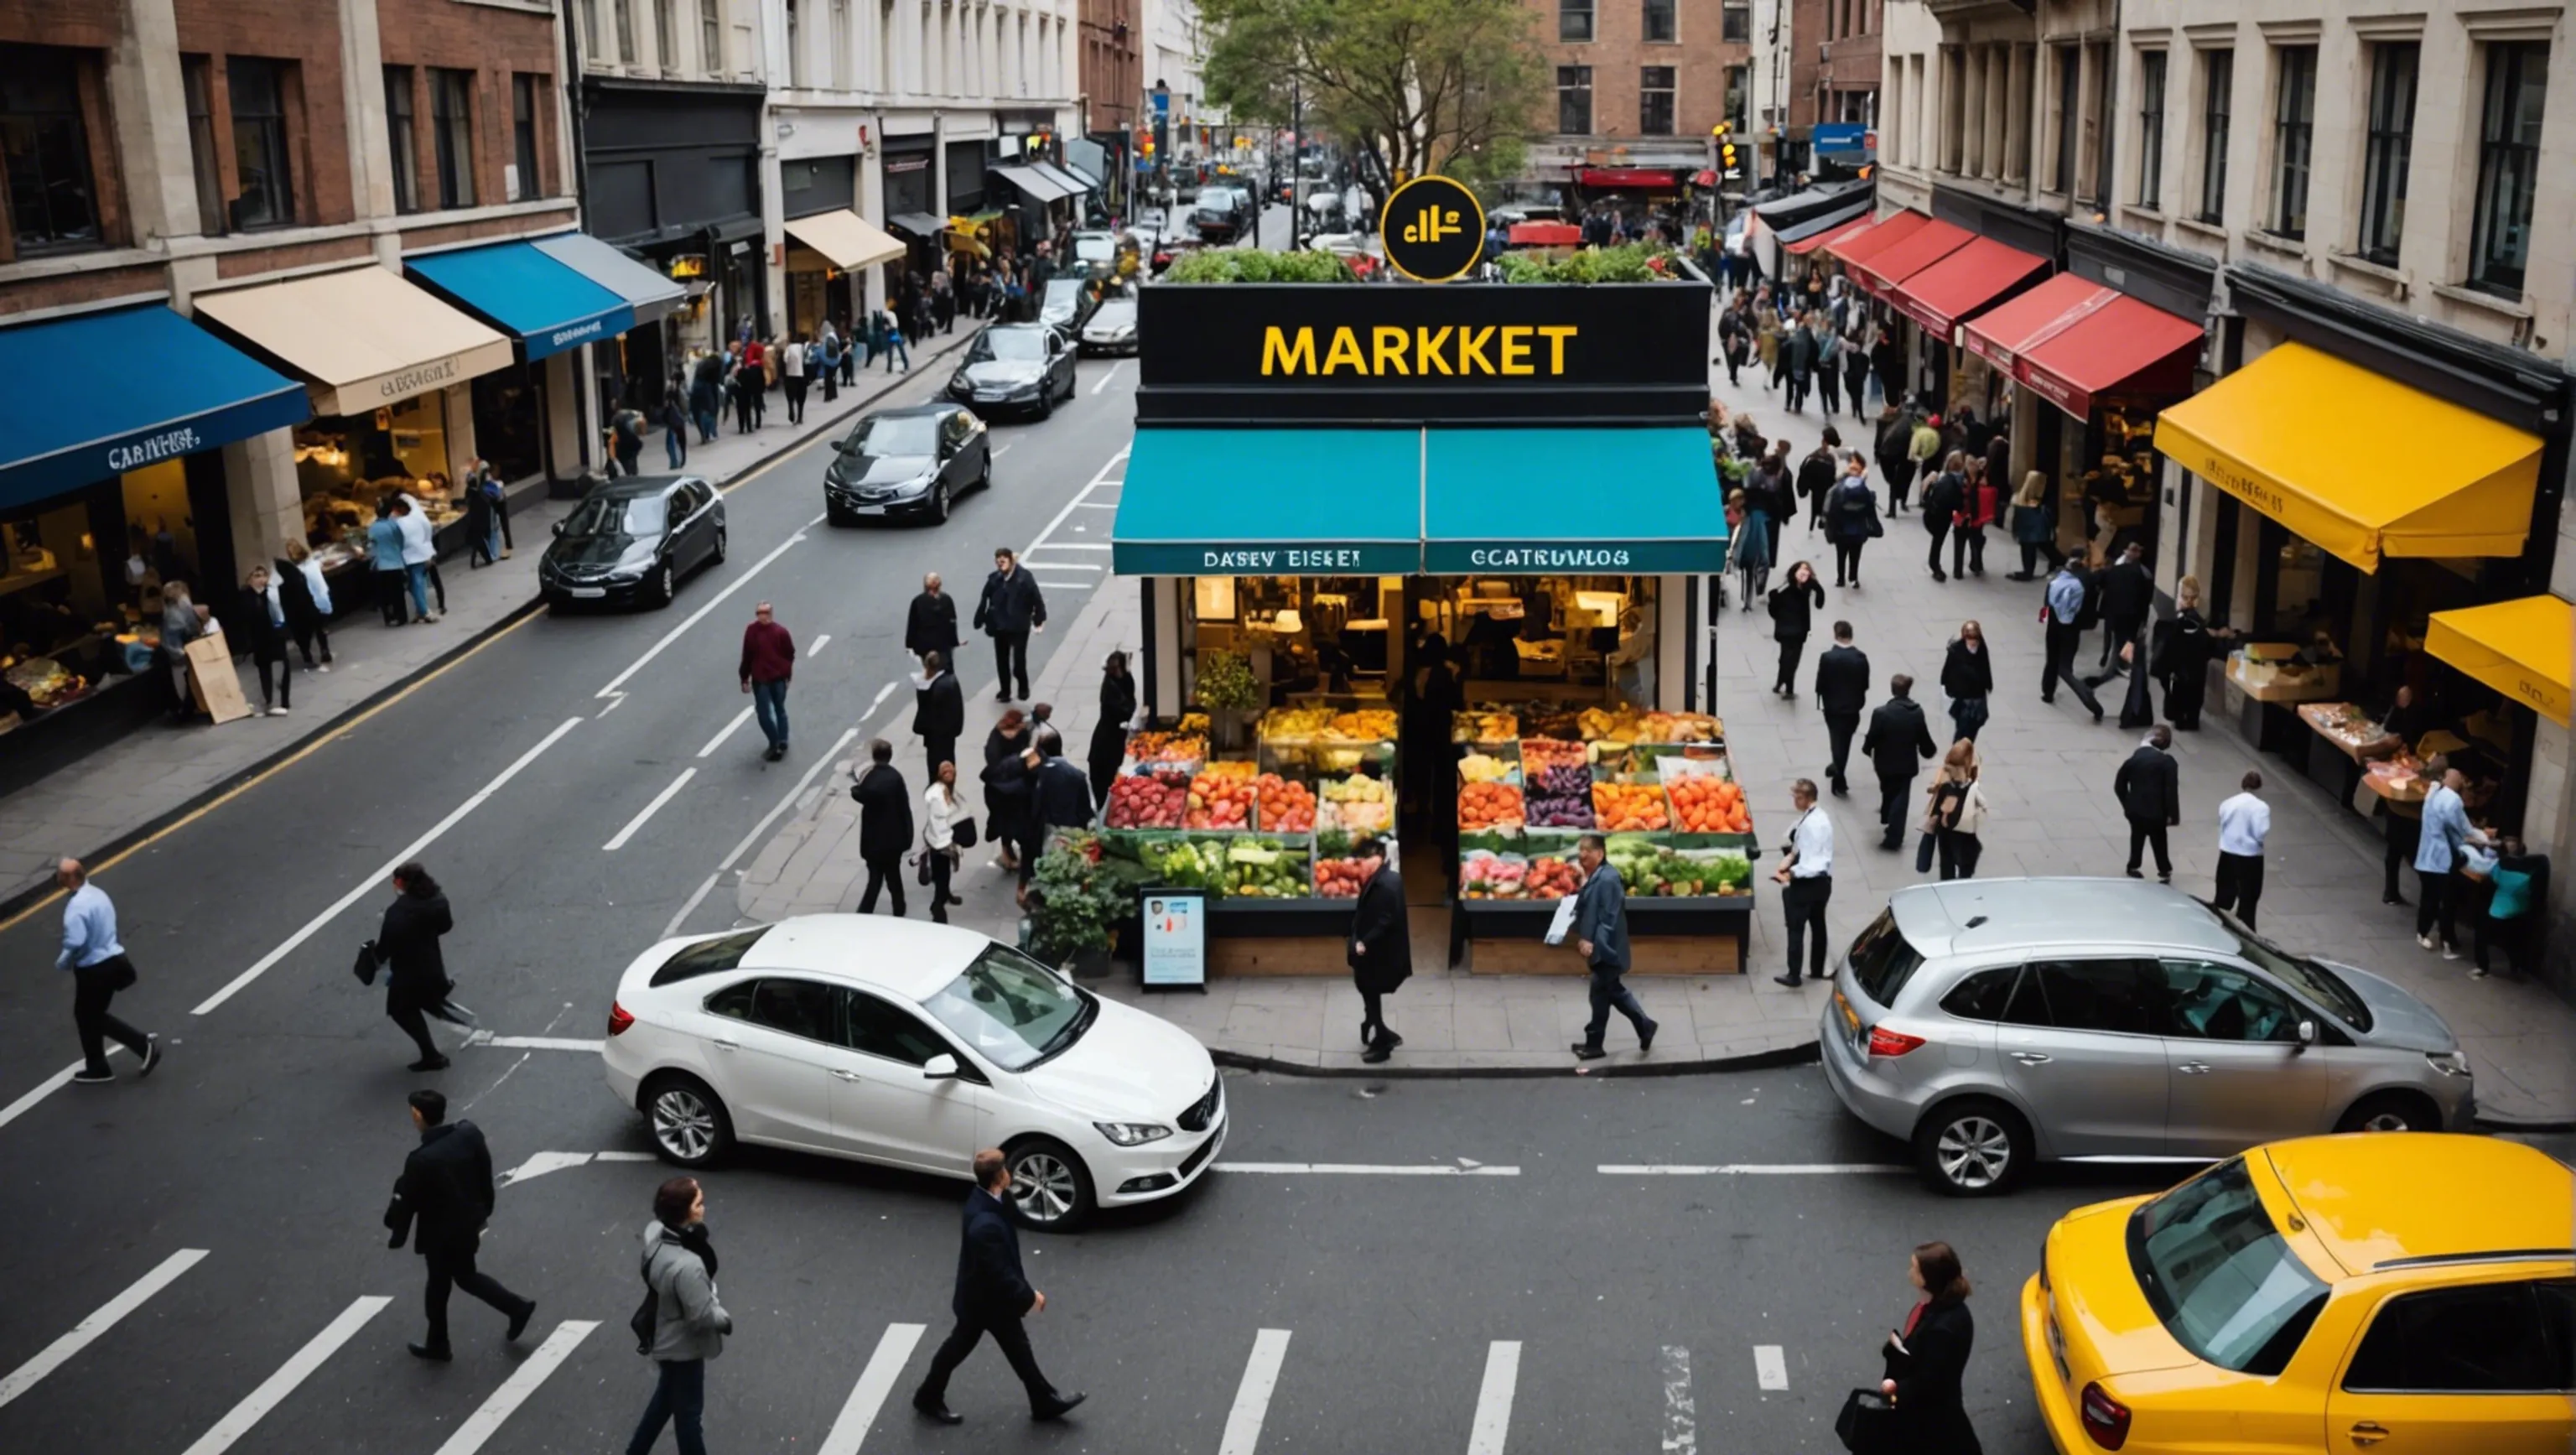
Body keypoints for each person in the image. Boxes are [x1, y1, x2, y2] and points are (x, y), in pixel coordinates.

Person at [911, 1149, 1087, 1424]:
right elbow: (1000, 1274)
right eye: (1006, 1171)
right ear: (998, 1178)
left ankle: (1042, 1401)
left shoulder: (985, 1199)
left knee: (1014, 1348)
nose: (1010, 1174)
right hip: (984, 1303)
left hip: (984, 1298)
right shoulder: (985, 1225)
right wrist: (1031, 1298)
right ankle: (927, 1396)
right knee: (961, 1348)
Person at [384, 1088, 535, 1363]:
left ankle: (443, 1342)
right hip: (469, 1222)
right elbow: (484, 1170)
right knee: (460, 1277)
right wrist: (485, 1207)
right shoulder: (467, 1134)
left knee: (446, 1284)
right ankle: (510, 1310)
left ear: (418, 1115)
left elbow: (408, 1202)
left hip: (442, 1236)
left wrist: (397, 1233)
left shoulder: (421, 1160)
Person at [629, 1177, 730, 1455]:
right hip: (683, 1347)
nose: (703, 1207)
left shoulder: (656, 1244)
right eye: (698, 1203)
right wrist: (723, 1319)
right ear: (685, 1211)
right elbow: (702, 1317)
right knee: (689, 1417)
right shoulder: (689, 1266)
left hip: (664, 1334)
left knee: (666, 1401)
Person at [55, 859, 160, 1084]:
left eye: (60, 875)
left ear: (69, 878)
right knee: (90, 1016)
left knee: (89, 1016)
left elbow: (75, 941)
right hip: (114, 960)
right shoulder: (98, 894)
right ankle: (98, 1065)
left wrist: (63, 962)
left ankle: (140, 1045)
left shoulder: (76, 908)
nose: (57, 878)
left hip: (94, 968)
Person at [1877, 1241, 1982, 1455]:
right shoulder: (1945, 1309)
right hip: (1937, 1410)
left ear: (1928, 1279)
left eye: (1915, 1269)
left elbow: (1928, 1382)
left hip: (1931, 1418)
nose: (1910, 1273)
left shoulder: (1942, 1330)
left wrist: (1894, 1389)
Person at [370, 861, 466, 1071]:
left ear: (402, 882)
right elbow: (445, 926)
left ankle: (431, 1055)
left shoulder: (398, 912)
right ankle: (440, 1007)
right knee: (421, 1000)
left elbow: (386, 946)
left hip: (407, 971)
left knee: (401, 1010)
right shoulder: (438, 900)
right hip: (431, 962)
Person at [1569, 833, 1657, 1060]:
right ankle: (1598, 1042)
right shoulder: (1597, 876)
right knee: (1605, 994)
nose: (1582, 854)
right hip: (1602, 948)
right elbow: (1590, 909)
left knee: (1607, 993)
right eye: (1580, 849)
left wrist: (1591, 941)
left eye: (1587, 850)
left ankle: (1640, 1027)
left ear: (1600, 853)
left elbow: (1608, 919)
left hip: (1607, 950)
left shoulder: (1608, 880)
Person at [1346, 836, 1411, 1063]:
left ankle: (1383, 1041)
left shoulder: (1384, 886)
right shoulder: (1385, 879)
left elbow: (1385, 920)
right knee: (1369, 993)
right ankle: (1377, 1029)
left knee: (1368, 990)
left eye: (1361, 860)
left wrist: (1364, 942)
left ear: (1375, 859)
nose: (1358, 865)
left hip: (1377, 955)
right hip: (1376, 954)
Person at [2414, 759, 2481, 959]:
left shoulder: (2433, 796)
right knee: (2445, 901)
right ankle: (2446, 942)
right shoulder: (2452, 801)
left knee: (2429, 897)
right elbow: (2463, 830)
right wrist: (2482, 838)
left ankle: (2424, 932)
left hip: (2426, 857)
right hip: (2442, 860)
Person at [1862, 674, 1937, 850]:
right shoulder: (1916, 713)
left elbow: (1873, 735)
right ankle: (1894, 827)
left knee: (1889, 792)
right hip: (1906, 764)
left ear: (1892, 690)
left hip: (1884, 764)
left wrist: (1867, 748)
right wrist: (1929, 750)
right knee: (1901, 798)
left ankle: (1892, 832)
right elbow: (1923, 737)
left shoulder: (1881, 713)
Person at [1773, 780, 1834, 987]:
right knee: (1818, 925)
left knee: (1796, 928)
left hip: (1805, 884)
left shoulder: (1810, 826)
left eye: (1797, 797)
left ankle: (1794, 974)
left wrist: (1789, 873)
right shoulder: (1820, 816)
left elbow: (1811, 861)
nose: (1794, 801)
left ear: (1806, 798)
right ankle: (1816, 969)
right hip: (1823, 884)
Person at [2151, 576, 2226, 730]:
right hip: (2197, 669)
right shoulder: (2200, 623)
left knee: (2180, 694)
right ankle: (2191, 720)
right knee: (2195, 695)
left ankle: (2181, 719)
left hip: (2181, 668)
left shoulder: (2175, 622)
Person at [974, 548, 1047, 702]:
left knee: (1019, 662)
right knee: (1002, 660)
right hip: (1000, 625)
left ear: (1010, 561)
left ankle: (1023, 687)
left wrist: (1039, 619)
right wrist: (980, 618)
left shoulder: (1024, 578)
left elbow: (1036, 598)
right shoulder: (995, 579)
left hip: (1019, 625)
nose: (1000, 565)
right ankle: (1005, 690)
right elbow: (984, 598)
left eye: (1003, 561)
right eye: (998, 562)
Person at [851, 740, 913, 917]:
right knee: (894, 877)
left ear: (874, 756)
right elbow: (904, 808)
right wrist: (907, 836)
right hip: (894, 841)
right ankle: (899, 909)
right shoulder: (896, 777)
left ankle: (865, 912)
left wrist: (854, 788)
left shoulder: (870, 778)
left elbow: (861, 794)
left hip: (874, 842)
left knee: (875, 878)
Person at [2115, 725, 2182, 882]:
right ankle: (2164, 870)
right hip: (2157, 813)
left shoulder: (2133, 759)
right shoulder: (2168, 762)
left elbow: (2119, 785)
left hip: (2136, 811)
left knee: (2137, 838)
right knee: (2159, 841)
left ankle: (2133, 866)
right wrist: (2173, 815)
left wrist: (2127, 805)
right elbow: (2170, 791)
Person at [2040, 557, 2105, 720]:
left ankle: (2048, 693)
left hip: (2053, 628)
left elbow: (2047, 604)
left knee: (2052, 662)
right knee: (2066, 666)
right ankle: (2086, 695)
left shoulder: (2054, 583)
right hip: (2070, 630)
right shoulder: (2079, 587)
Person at [2473, 836, 2545, 980]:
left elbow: (2492, 879)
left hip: (2497, 911)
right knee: (2513, 943)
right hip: (2520, 912)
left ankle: (2483, 967)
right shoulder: (2531, 871)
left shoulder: (2500, 867)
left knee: (2481, 938)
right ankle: (2516, 967)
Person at [1815, 621, 1870, 795]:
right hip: (1852, 707)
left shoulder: (1827, 658)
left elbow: (1820, 684)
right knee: (1844, 741)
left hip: (1832, 707)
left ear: (1836, 635)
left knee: (1837, 740)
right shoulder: (1861, 658)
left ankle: (1839, 774)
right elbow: (1865, 684)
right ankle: (1837, 768)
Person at [739, 601, 795, 761]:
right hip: (760, 679)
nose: (762, 616)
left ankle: (782, 741)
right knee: (763, 713)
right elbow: (747, 655)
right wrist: (744, 677)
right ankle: (775, 740)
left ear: (771, 614)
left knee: (779, 709)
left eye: (765, 612)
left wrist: (787, 675)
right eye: (759, 613)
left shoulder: (781, 632)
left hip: (778, 678)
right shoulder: (751, 631)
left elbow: (789, 654)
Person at [1924, 740, 1988, 881]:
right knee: (1951, 862)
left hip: (1958, 833)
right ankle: (1953, 883)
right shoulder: (1950, 787)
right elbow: (1937, 805)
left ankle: (1956, 883)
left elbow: (1982, 808)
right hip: (1951, 832)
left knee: (1957, 863)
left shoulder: (1965, 789)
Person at [2214, 771, 2270, 927]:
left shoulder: (2228, 802)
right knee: (2248, 898)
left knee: (2224, 893)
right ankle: (2246, 926)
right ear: (2259, 787)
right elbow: (2261, 832)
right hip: (2250, 855)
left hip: (2228, 851)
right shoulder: (2261, 807)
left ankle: (2219, 923)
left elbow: (2222, 822)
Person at [236, 564, 294, 717]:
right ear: (249, 580)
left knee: (283, 665)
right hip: (260, 639)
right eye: (257, 576)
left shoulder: (272, 592)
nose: (262, 579)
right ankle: (269, 700)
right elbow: (249, 618)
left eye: (264, 575)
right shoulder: (247, 597)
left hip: (276, 636)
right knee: (265, 670)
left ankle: (284, 701)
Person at [981, 709, 1034, 870]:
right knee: (1020, 819)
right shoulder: (1023, 734)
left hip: (998, 787)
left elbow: (991, 758)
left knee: (1004, 820)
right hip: (1017, 785)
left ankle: (1007, 852)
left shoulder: (995, 735)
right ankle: (1017, 854)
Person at [2090, 542, 2154, 672]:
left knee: (2119, 637)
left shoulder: (2116, 568)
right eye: (2132, 550)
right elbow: (2146, 597)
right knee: (2125, 638)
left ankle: (2115, 660)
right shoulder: (2142, 573)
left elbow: (2098, 582)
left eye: (2136, 550)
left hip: (2117, 610)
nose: (2133, 553)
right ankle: (2117, 661)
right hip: (2126, 611)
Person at [1767, 563, 1826, 699]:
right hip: (1797, 630)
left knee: (1785, 658)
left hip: (1788, 629)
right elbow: (1820, 594)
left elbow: (1772, 608)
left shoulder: (1787, 588)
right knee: (1793, 659)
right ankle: (1787, 687)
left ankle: (1781, 684)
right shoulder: (1803, 588)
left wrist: (1778, 617)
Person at [1088, 651, 1137, 808]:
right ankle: (1104, 805)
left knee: (1109, 773)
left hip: (1114, 737)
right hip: (1107, 740)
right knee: (1103, 776)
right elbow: (1124, 709)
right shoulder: (1110, 687)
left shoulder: (1124, 681)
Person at [1825, 454, 1882, 588]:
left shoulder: (1839, 490)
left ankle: (1840, 579)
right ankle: (1853, 578)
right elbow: (1870, 510)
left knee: (1841, 555)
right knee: (1855, 556)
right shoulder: (1865, 492)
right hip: (1858, 529)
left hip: (1841, 529)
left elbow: (1832, 510)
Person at [278, 538, 333, 672]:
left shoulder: (296, 571)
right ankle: (325, 651)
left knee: (304, 632)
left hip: (307, 603)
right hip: (321, 600)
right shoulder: (313, 564)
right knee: (321, 629)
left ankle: (307, 657)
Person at [922, 761, 968, 923]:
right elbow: (943, 813)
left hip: (942, 838)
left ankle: (945, 895)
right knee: (942, 875)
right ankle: (937, 907)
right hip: (940, 842)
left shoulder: (947, 790)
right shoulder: (937, 794)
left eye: (951, 769)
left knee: (944, 872)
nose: (949, 771)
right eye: (944, 770)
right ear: (938, 774)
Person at [912, 650, 966, 782]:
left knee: (935, 765)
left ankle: (938, 785)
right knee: (948, 760)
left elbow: (924, 708)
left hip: (935, 733)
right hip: (949, 732)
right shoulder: (950, 681)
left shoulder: (929, 686)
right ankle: (948, 784)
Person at [1940, 621, 1992, 743]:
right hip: (1962, 697)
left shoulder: (1982, 649)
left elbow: (1986, 667)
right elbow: (1948, 671)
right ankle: (1958, 753)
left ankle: (1966, 750)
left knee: (1974, 728)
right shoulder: (1956, 650)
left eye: (1975, 639)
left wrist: (1987, 684)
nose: (1973, 642)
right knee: (1962, 729)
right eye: (1970, 639)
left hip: (1977, 696)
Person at [395, 493, 442, 619]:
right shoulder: (418, 518)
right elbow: (427, 534)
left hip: (412, 557)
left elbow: (399, 541)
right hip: (422, 555)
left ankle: (424, 611)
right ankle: (421, 609)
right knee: (417, 584)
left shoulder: (400, 522)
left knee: (416, 583)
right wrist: (429, 553)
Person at [2006, 470, 2057, 579]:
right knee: (2043, 547)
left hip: (2028, 530)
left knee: (2030, 548)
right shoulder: (2041, 498)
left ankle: (2028, 571)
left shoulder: (2020, 497)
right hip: (2037, 530)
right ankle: (2030, 571)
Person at [906, 572, 962, 668]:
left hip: (943, 644)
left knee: (946, 670)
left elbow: (952, 621)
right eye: (931, 579)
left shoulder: (947, 599)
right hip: (926, 645)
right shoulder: (918, 602)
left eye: (936, 578)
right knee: (931, 670)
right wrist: (910, 644)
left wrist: (954, 642)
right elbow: (913, 624)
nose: (934, 581)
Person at [368, 502, 410, 626]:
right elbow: (401, 541)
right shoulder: (394, 525)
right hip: (396, 563)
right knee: (398, 592)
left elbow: (371, 546)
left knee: (385, 593)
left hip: (381, 564)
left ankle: (388, 617)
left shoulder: (373, 528)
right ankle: (402, 616)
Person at [1951, 460, 1994, 579]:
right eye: (1970, 465)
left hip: (1976, 516)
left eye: (1974, 465)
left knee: (1976, 541)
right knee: (1960, 543)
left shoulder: (1981, 477)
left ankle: (1976, 564)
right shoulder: (1961, 478)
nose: (1972, 468)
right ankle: (1958, 571)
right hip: (1962, 515)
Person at [1873, 406, 1917, 515]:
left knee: (1895, 481)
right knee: (1897, 480)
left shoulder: (1902, 422)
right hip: (1895, 453)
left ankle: (1895, 507)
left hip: (1896, 454)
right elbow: (1879, 438)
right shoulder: (1886, 421)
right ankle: (1899, 502)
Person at [1796, 429, 1841, 533]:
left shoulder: (1815, 457)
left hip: (1822, 489)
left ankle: (1820, 520)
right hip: (1827, 489)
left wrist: (1803, 489)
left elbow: (1804, 470)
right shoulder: (1816, 457)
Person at [660, 376, 689, 469]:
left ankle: (676, 462)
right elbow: (685, 406)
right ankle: (680, 460)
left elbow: (665, 409)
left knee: (672, 444)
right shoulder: (679, 392)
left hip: (673, 422)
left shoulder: (671, 394)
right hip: (678, 421)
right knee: (680, 442)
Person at [611, 404, 647, 476]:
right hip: (629, 452)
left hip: (623, 453)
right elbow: (638, 444)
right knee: (632, 466)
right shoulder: (628, 432)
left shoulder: (620, 433)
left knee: (628, 467)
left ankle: (630, 473)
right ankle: (632, 473)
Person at [780, 335, 808, 424]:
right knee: (801, 398)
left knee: (790, 396)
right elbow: (809, 359)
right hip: (801, 375)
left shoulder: (789, 348)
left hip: (790, 375)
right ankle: (800, 417)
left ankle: (791, 408)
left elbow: (785, 359)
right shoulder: (803, 348)